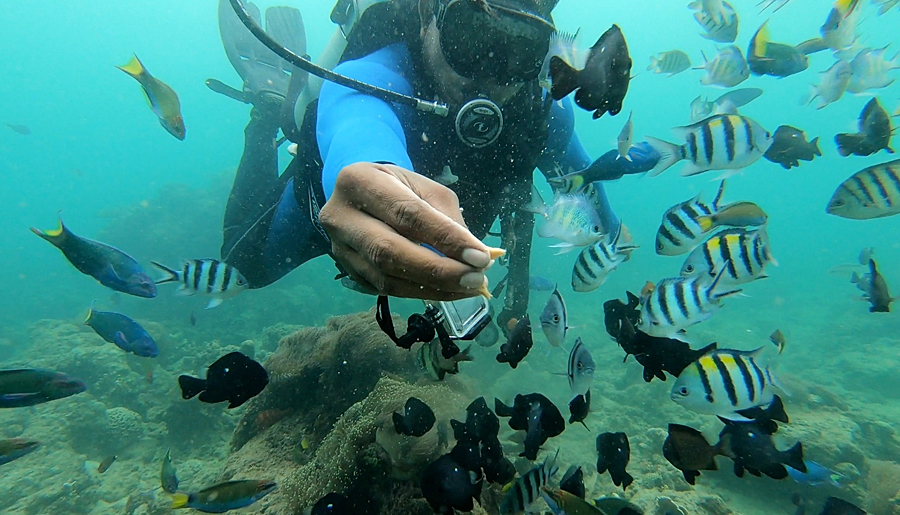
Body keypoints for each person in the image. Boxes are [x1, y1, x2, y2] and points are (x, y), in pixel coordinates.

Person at [213, 0, 650, 330]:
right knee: (241, 268)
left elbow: (584, 180)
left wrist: (612, 233)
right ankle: (268, 105)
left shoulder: (541, 113)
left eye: (520, 49)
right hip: (320, 207)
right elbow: (356, 118)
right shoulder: (379, 71)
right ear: (427, 15)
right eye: (471, 38)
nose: (491, 76)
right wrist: (370, 175)